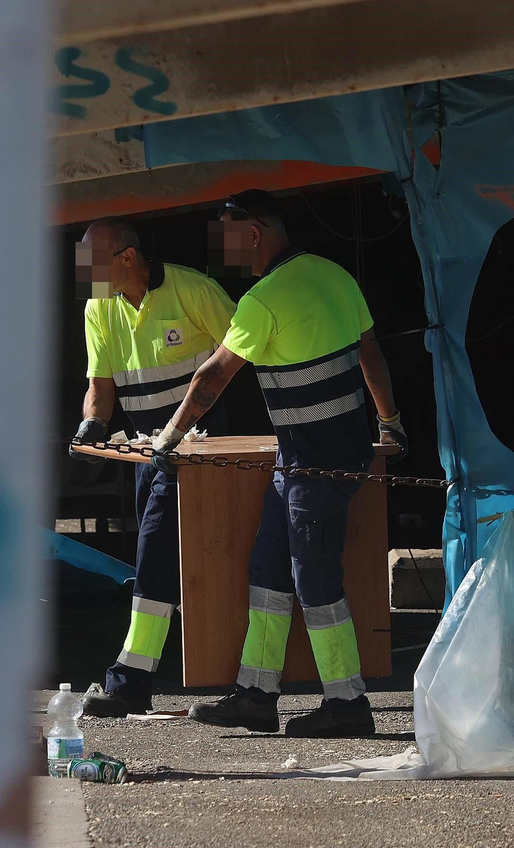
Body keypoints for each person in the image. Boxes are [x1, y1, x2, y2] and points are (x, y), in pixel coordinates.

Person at [146, 190, 407, 737]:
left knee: (315, 574)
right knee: (268, 566)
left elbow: (213, 376)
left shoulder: (262, 300)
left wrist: (167, 439)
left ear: (253, 233)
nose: (224, 251)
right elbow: (372, 355)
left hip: (315, 464)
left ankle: (348, 703)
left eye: (227, 238)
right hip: (313, 457)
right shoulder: (337, 276)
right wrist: (389, 423)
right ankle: (256, 696)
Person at [69, 217, 240, 718]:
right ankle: (237, 682)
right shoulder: (98, 306)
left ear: (127, 257)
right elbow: (100, 386)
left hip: (202, 450)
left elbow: (245, 350)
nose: (83, 272)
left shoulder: (194, 290)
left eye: (92, 261)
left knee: (159, 557)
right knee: (165, 559)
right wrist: (92, 425)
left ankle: (130, 682)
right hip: (149, 453)